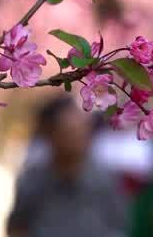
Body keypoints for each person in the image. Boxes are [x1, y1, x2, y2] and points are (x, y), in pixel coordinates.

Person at [7, 96, 129, 237]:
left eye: (83, 130)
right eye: (69, 132)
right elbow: (17, 227)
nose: (79, 139)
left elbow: (119, 226)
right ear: (48, 134)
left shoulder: (106, 178)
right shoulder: (32, 180)